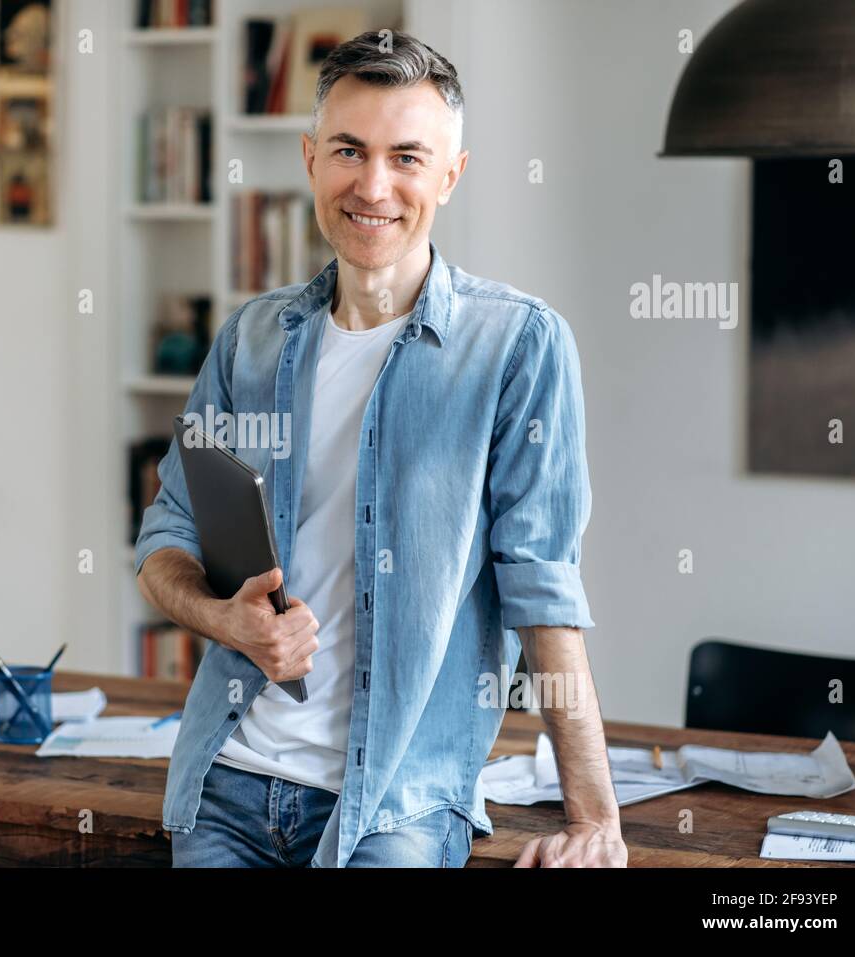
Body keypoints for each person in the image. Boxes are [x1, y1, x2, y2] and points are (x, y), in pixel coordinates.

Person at [135, 30, 626, 868]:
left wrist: (592, 816)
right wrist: (225, 620)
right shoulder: (250, 340)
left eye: (407, 157)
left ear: (451, 174)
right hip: (226, 781)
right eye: (349, 152)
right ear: (310, 159)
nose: (373, 186)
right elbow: (165, 536)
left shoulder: (518, 346)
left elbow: (541, 589)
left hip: (393, 804)